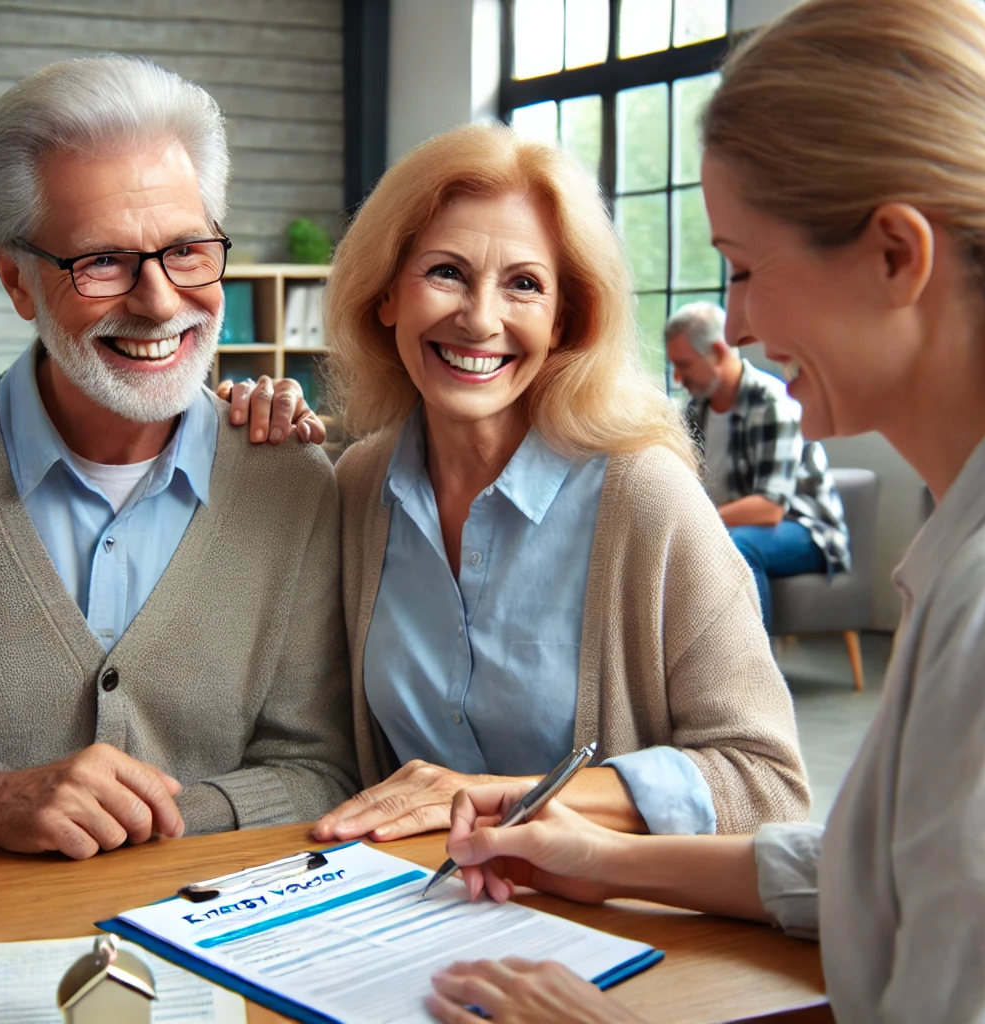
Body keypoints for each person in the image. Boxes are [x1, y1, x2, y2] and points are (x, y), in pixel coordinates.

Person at [424, 0, 985, 1021]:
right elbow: (876, 871)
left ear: (895, 253)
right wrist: (606, 859)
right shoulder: (969, 548)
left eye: (743, 266)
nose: (733, 321)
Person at [286, 121, 811, 847]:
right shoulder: (357, 486)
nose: (480, 320)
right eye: (446, 273)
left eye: (524, 285)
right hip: (404, 899)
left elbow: (769, 788)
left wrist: (501, 800)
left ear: (566, 320)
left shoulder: (645, 496)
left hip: (598, 913)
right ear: (385, 294)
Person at [0, 55, 357, 861]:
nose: (159, 302)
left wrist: (148, 818)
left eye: (188, 250)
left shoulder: (292, 486)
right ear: (17, 282)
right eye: (102, 260)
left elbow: (322, 771)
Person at [666, 301, 849, 631]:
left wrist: (699, 522)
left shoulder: (773, 403)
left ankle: (753, 661)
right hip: (730, 523)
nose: (678, 378)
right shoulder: (695, 409)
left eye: (683, 365)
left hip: (805, 529)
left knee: (739, 546)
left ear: (718, 352)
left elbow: (770, 508)